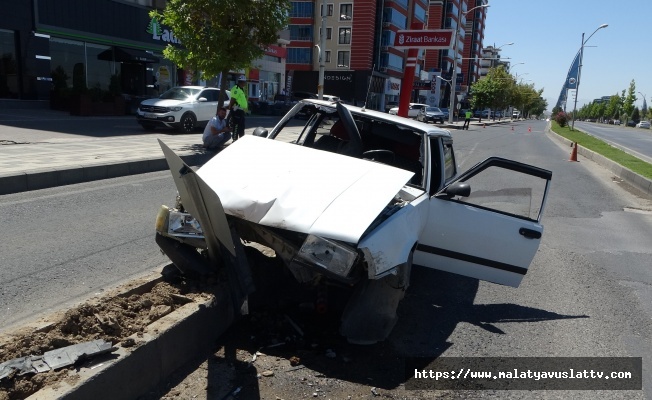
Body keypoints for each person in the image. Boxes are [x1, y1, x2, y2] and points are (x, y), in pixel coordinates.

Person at [228, 75, 249, 141]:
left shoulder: (240, 89)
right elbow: (233, 99)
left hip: (240, 111)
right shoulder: (236, 89)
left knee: (241, 127)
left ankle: (241, 140)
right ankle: (234, 140)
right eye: (244, 82)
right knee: (236, 127)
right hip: (236, 111)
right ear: (241, 82)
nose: (245, 83)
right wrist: (230, 108)